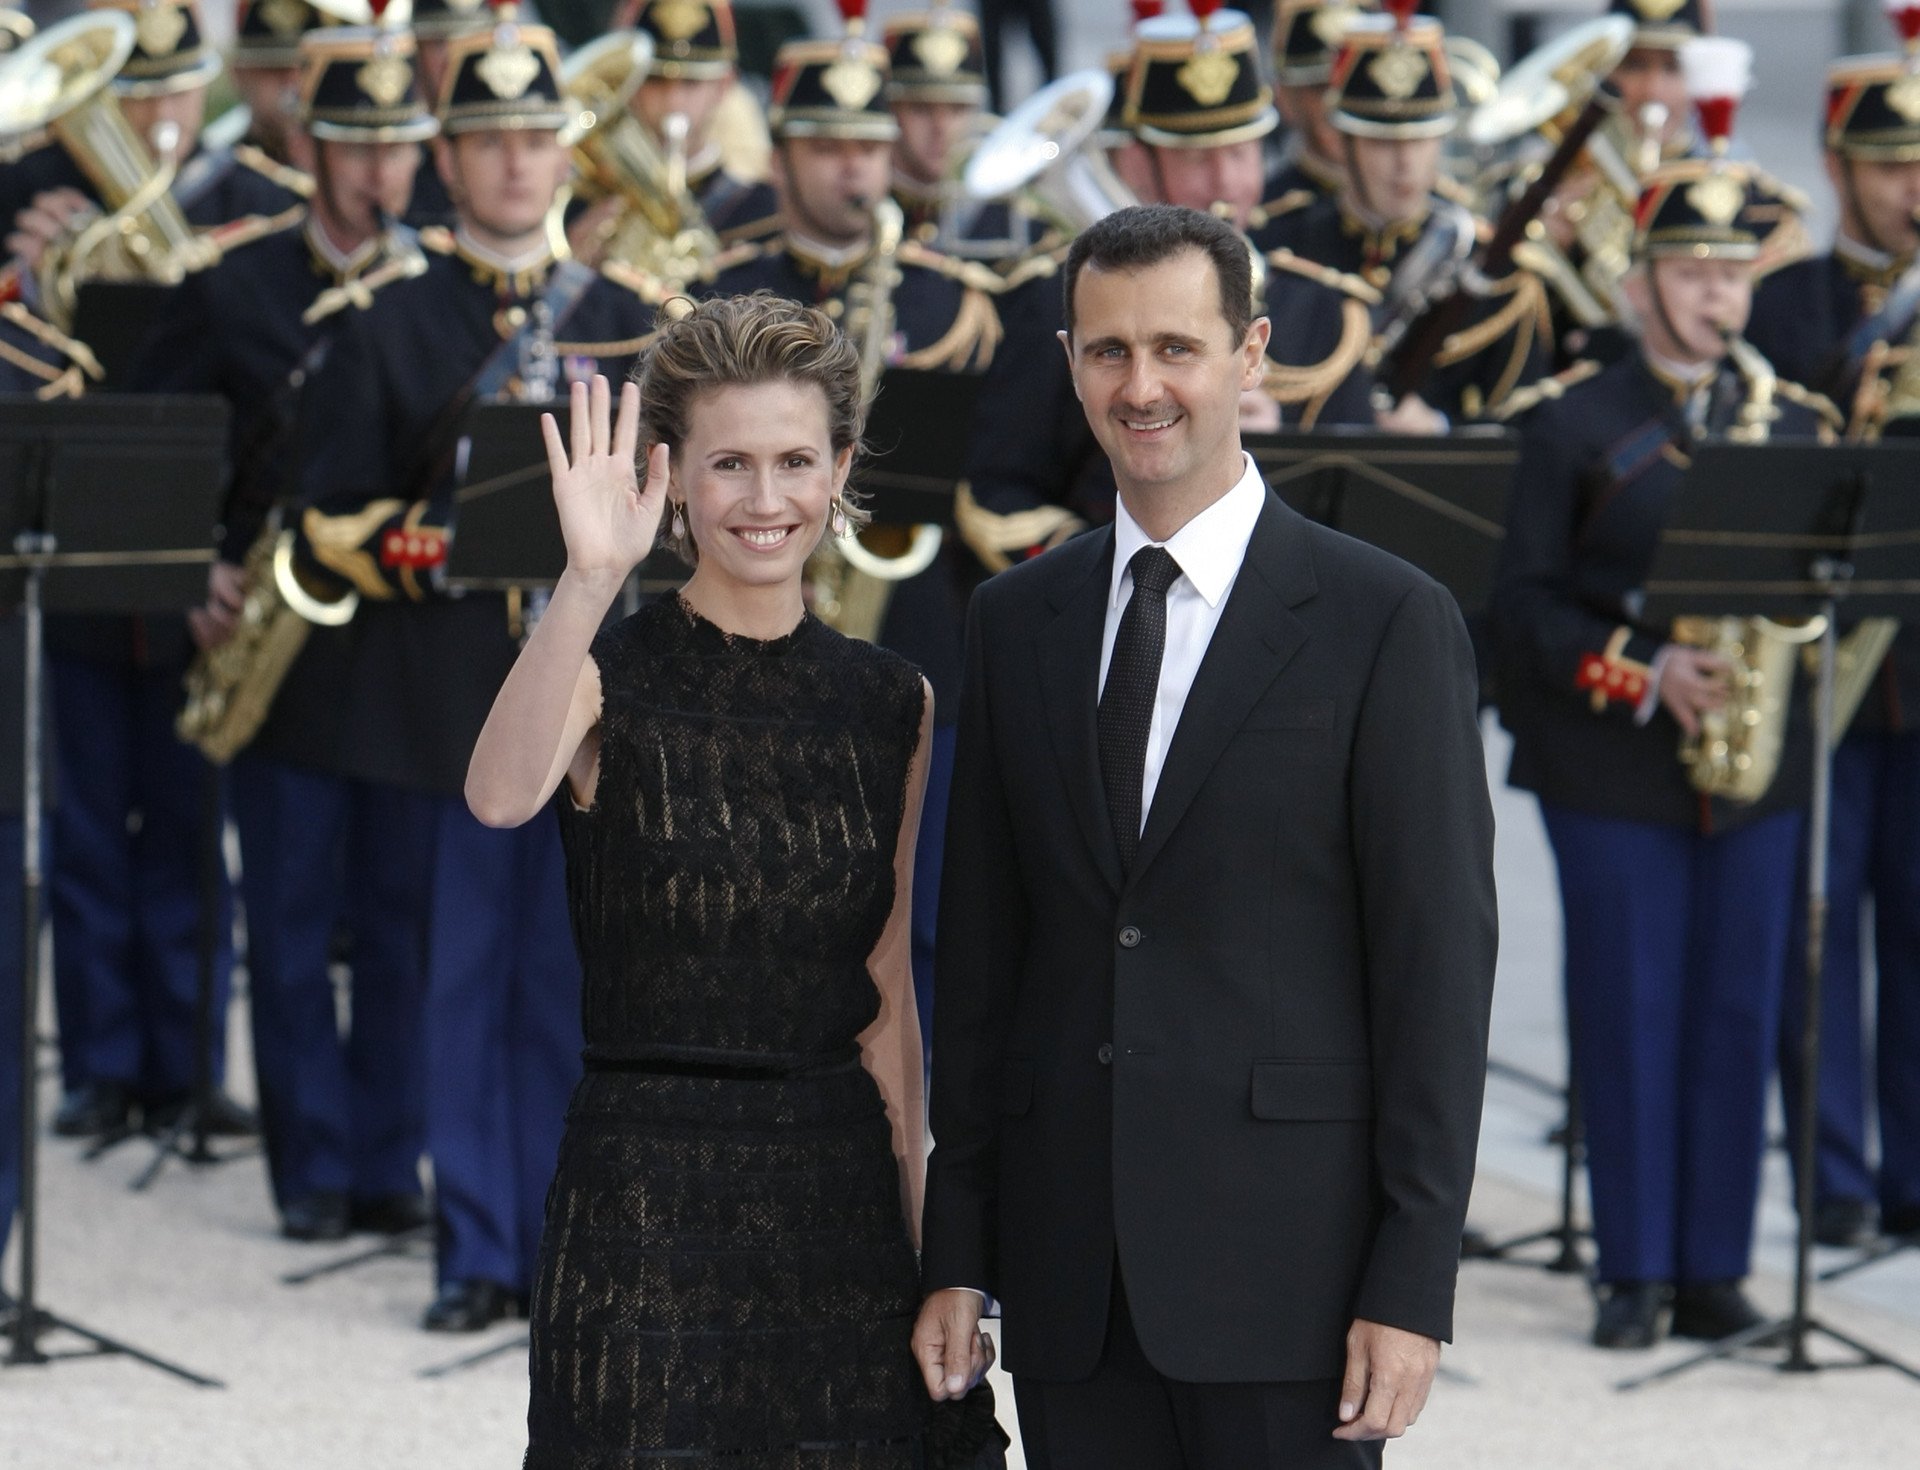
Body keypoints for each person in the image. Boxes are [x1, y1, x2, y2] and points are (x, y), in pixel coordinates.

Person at [916, 203, 1497, 1467]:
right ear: (1070, 362)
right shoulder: (1015, 621)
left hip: (1294, 1285)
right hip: (1070, 1286)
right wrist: (958, 1253)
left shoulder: (1387, 620)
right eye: (1109, 351)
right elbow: (983, 967)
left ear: (1251, 352)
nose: (1142, 387)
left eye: (1176, 347)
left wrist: (1413, 1282)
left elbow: (1436, 974)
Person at [465, 295, 933, 1462]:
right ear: (673, 477)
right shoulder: (607, 676)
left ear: (841, 470)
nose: (766, 500)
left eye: (795, 462)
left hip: (838, 1202)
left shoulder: (891, 702)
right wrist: (586, 581)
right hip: (641, 1204)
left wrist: (933, 1257)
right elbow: (499, 796)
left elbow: (887, 997)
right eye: (731, 464)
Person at [255, 7, 659, 1251]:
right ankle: (477, 1239)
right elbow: (330, 516)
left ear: (566, 151)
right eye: (487, 139)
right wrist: (445, 540)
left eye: (535, 137)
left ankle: (554, 1229)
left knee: (569, 972)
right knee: (447, 962)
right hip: (443, 689)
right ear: (448, 157)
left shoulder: (632, 315)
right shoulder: (388, 317)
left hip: (596, 690)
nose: (515, 162)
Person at [1489, 152, 1839, 1350]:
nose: (1715, 297)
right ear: (1638, 284)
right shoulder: (1573, 423)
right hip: (1612, 765)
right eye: (1690, 273)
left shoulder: (1796, 422)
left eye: (1733, 275)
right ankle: (1634, 1268)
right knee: (1631, 1004)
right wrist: (1645, 673)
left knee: (1741, 1008)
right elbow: (1522, 609)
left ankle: (1713, 1268)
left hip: (1755, 770)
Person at [128, 13, 438, 1229]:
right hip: (280, 645)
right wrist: (189, 567)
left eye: (399, 146)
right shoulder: (233, 282)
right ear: (311, 145)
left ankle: (390, 1166)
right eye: (358, 145)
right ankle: (311, 1171)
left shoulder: (442, 288)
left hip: (403, 641)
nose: (380, 170)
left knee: (402, 922)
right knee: (293, 919)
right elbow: (162, 438)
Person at [1746, 46, 1920, 1251]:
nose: (1914, 188)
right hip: (1820, 669)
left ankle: (1914, 1173)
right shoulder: (1786, 306)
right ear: (1837, 165)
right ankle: (1835, 1177)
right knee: (1815, 935)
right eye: (1892, 164)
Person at [1254, 11, 1549, 426]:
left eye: (1421, 139)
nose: (1405, 164)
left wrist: (1440, 432)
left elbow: (1526, 436)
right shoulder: (1276, 246)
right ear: (1342, 139)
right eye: (1383, 142)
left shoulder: (1501, 277)